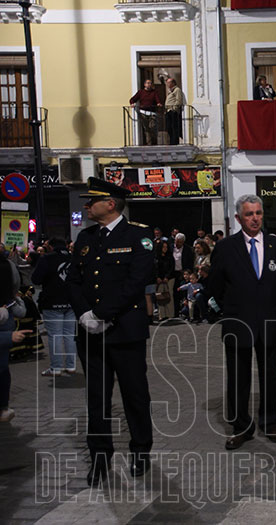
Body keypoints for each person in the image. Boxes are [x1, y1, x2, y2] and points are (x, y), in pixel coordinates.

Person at [66, 177, 155, 485]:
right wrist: (84, 315)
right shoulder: (86, 237)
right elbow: (73, 281)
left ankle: (141, 450)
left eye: (92, 201)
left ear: (111, 204)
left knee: (135, 396)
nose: (87, 206)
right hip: (91, 333)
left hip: (125, 331)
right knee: (97, 399)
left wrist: (102, 314)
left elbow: (136, 282)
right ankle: (100, 457)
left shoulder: (138, 235)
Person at [208, 195, 276, 448]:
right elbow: (215, 286)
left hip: (269, 322)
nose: (255, 218)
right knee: (237, 378)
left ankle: (271, 422)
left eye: (258, 213)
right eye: (249, 214)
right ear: (238, 218)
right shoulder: (225, 248)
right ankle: (241, 427)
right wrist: (231, 310)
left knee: (270, 375)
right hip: (237, 323)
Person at [31, 237, 77, 376]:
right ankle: (71, 366)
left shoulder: (47, 258)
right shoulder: (73, 258)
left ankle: (56, 368)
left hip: (52, 301)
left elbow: (36, 279)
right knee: (70, 335)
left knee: (55, 336)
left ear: (50, 247)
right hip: (71, 301)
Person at [0, 258, 29, 422]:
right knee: (3, 367)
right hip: (6, 315)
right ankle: (3, 407)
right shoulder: (8, 264)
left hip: (5, 315)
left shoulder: (8, 264)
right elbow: (16, 285)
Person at [129, 79, 163, 146]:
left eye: (150, 83)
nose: (149, 84)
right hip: (143, 113)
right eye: (148, 83)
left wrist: (159, 103)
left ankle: (154, 142)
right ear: (144, 84)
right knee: (146, 129)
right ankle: (149, 143)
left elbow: (158, 100)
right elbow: (132, 99)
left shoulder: (154, 92)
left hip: (152, 113)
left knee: (152, 127)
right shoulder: (141, 92)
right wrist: (132, 103)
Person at [154, 240, 176, 321]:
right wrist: (157, 277)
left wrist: (167, 277)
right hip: (159, 280)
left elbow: (171, 268)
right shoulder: (156, 257)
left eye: (166, 247)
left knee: (169, 295)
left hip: (169, 279)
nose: (165, 249)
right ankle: (162, 315)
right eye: (163, 247)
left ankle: (170, 315)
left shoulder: (170, 257)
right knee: (160, 296)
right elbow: (154, 268)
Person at [164, 78, 184, 145]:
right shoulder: (170, 91)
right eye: (167, 82)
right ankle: (171, 141)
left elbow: (179, 100)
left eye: (169, 82)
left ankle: (175, 142)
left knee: (174, 127)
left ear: (173, 83)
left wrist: (174, 108)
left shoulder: (177, 90)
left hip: (173, 111)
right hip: (168, 111)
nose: (167, 84)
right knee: (169, 127)